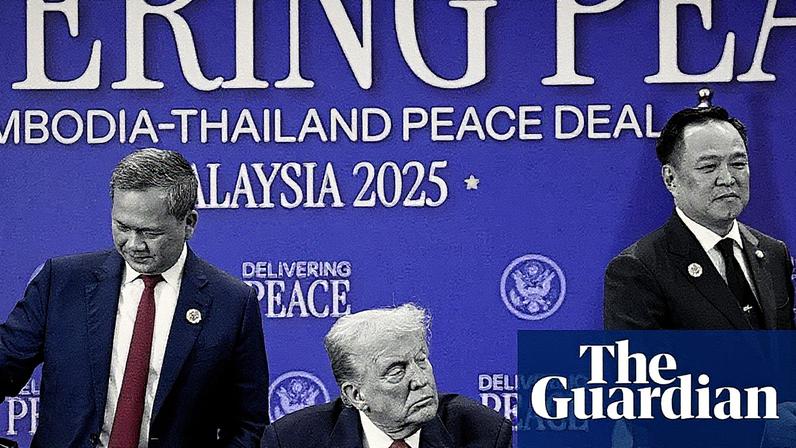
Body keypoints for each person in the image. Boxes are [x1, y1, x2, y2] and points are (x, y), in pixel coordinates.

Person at [0, 149, 269, 447]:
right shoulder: (62, 282)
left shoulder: (232, 302)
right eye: (122, 227)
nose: (133, 244)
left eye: (150, 232)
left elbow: (248, 425)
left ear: (189, 223)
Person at [604, 89, 795, 329]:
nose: (727, 178)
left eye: (738, 163)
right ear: (670, 179)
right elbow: (637, 364)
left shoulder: (773, 253)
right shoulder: (638, 269)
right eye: (709, 167)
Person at [261, 304, 512, 448]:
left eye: (421, 360)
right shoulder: (292, 441)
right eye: (396, 371)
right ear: (356, 395)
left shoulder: (483, 433)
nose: (420, 379)